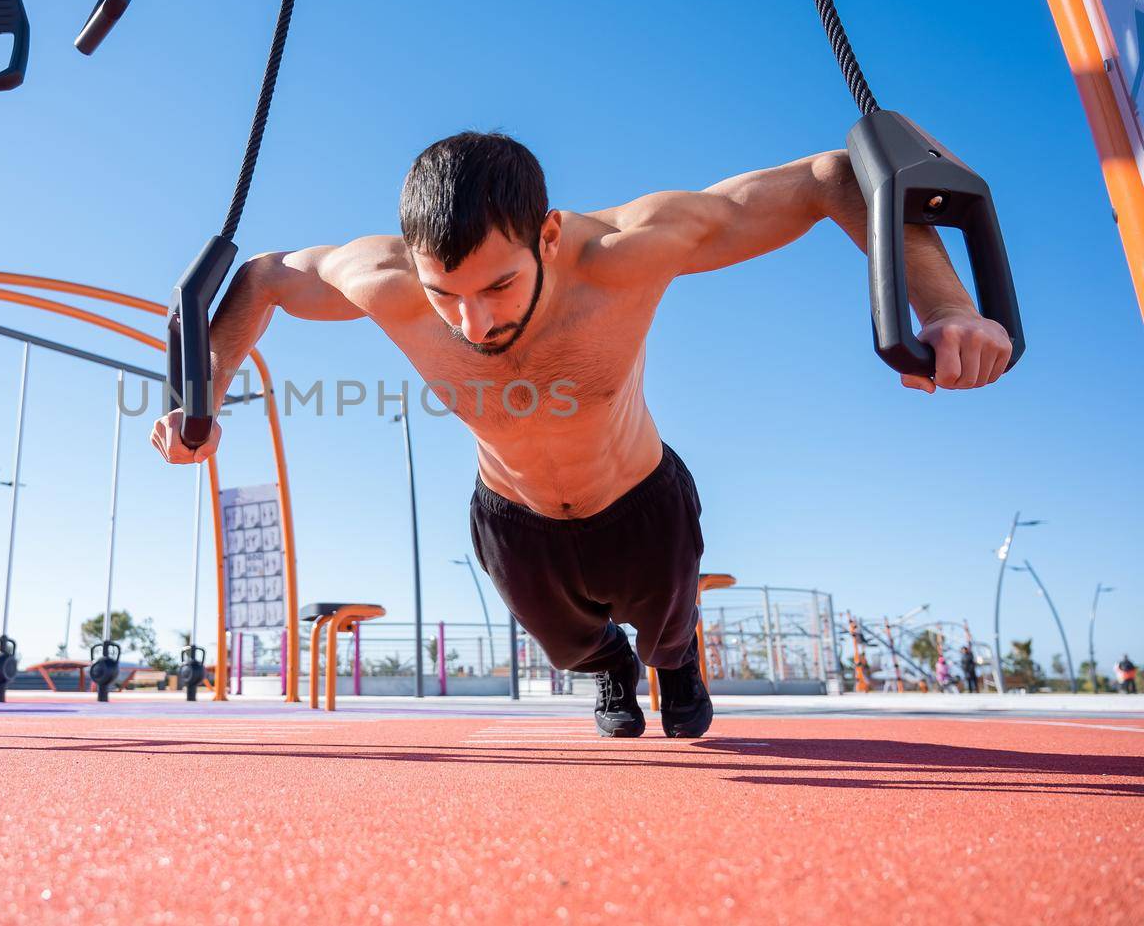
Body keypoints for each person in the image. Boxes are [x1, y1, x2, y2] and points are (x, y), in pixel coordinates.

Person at [152, 132, 1014, 737]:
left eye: (496, 285)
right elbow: (262, 278)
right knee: (571, 643)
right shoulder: (385, 282)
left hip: (641, 500)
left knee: (668, 631)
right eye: (444, 291)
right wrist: (204, 396)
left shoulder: (631, 249)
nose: (470, 319)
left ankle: (673, 662)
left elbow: (837, 174)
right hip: (512, 515)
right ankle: (606, 667)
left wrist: (944, 306)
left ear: (550, 234)